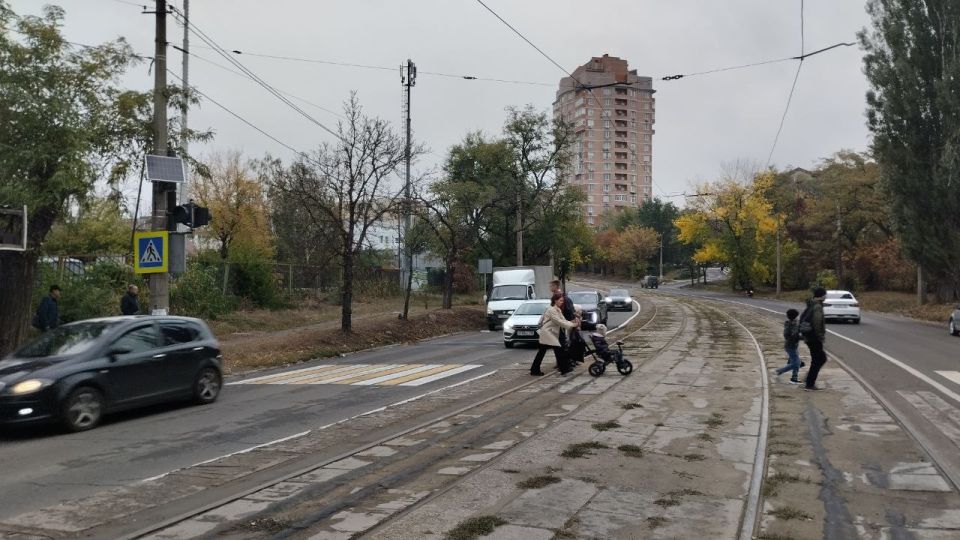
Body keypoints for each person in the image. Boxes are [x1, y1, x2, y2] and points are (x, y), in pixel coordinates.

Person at [531, 292, 580, 376]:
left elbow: (563, 320)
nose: (562, 302)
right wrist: (572, 325)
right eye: (561, 300)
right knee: (559, 350)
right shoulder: (551, 310)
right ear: (555, 300)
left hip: (550, 333)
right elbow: (558, 321)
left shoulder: (557, 309)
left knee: (542, 352)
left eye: (562, 301)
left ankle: (534, 369)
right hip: (547, 333)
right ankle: (564, 370)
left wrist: (571, 322)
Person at [802, 287, 828, 390]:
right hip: (814, 337)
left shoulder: (812, 304)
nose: (826, 296)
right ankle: (809, 383)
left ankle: (809, 379)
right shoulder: (817, 306)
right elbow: (817, 322)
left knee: (819, 358)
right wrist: (820, 336)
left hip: (809, 337)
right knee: (818, 359)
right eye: (825, 294)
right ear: (822, 296)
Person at [774, 308, 805, 384]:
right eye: (798, 316)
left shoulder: (790, 323)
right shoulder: (793, 324)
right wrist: (804, 337)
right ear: (796, 316)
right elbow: (793, 336)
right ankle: (780, 371)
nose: (798, 317)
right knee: (796, 363)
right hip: (791, 346)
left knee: (796, 362)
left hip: (792, 345)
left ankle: (794, 378)